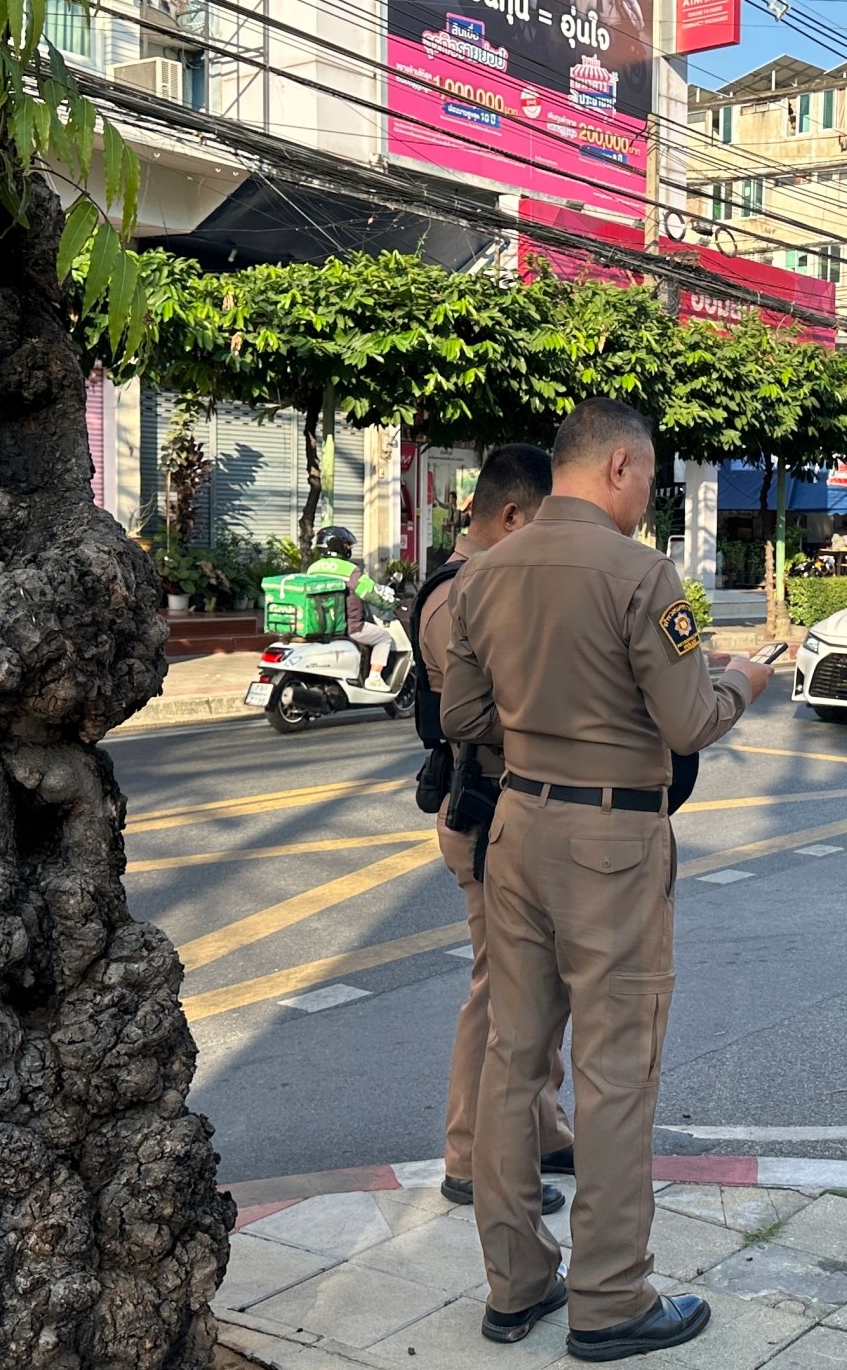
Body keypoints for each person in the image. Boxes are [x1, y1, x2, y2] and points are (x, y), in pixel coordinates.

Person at [440, 399, 772, 1358]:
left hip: (516, 826)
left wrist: (545, 721)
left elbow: (463, 709)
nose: (649, 496)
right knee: (614, 1075)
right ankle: (611, 1298)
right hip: (612, 841)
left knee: (515, 1059)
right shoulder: (641, 573)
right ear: (621, 466)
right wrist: (742, 677)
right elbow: (687, 723)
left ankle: (516, 1285)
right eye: (651, 477)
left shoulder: (485, 572)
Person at [415, 445, 575, 1215]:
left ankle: (539, 1127)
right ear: (511, 516)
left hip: (506, 809)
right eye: (543, 526)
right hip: (484, 810)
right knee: (500, 993)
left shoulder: (489, 581)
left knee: (536, 988)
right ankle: (471, 1157)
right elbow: (495, 713)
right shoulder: (464, 592)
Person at [305, 526, 397, 685]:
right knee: (384, 638)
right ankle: (374, 678)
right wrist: (391, 602)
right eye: (347, 545)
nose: (348, 548)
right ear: (337, 546)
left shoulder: (313, 568)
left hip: (320, 625)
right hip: (350, 627)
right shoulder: (350, 569)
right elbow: (370, 593)